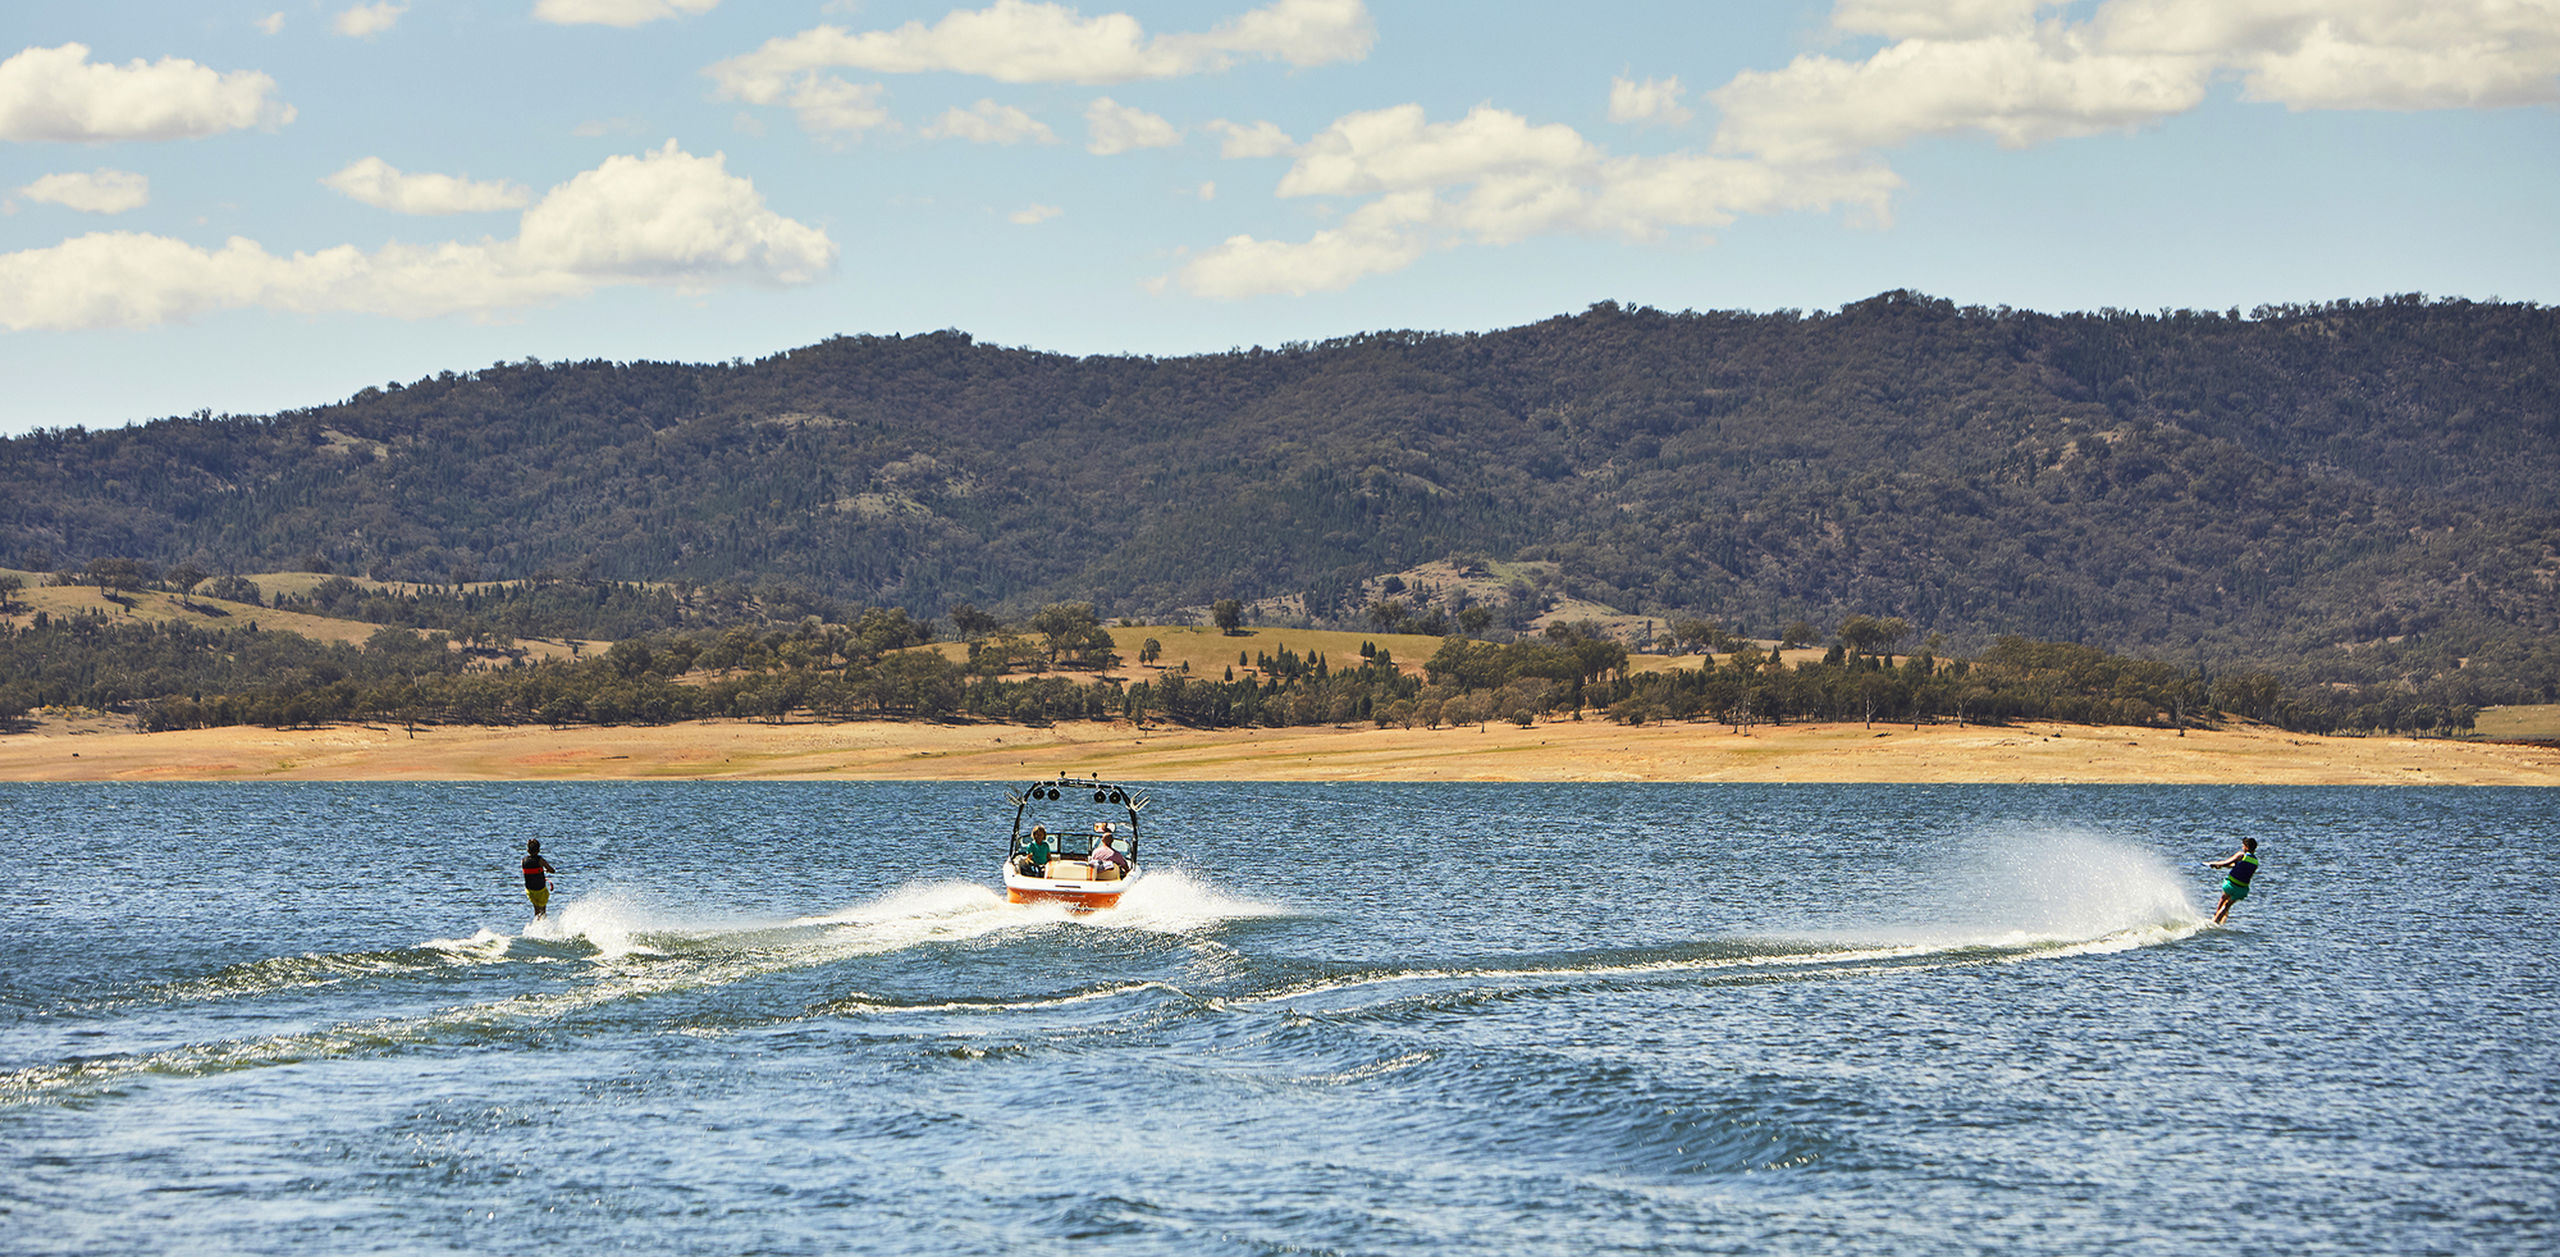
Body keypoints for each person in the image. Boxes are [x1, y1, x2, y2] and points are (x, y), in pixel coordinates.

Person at [2206, 837, 2260, 925]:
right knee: (2227, 906)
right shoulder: (2255, 861)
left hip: (2231, 885)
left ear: (2246, 847)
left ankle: (2214, 920)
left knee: (2223, 898)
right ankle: (2218, 921)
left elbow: (2225, 862)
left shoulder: (2241, 855)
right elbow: (2236, 866)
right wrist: (2220, 866)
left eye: (2243, 846)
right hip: (2242, 889)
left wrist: (2215, 864)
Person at [521, 838, 558, 919]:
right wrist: (547, 870)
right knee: (543, 910)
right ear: (538, 850)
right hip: (540, 889)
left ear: (527, 850)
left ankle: (536, 925)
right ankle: (543, 926)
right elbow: (552, 870)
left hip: (530, 890)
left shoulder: (523, 861)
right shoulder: (540, 860)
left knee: (536, 910)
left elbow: (531, 870)